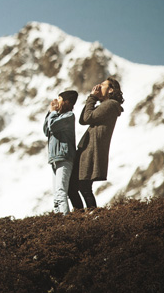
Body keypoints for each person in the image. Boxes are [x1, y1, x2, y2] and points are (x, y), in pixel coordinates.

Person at [69, 77, 124, 209]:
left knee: (82, 187)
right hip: (88, 149)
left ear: (111, 90)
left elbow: (87, 118)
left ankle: (89, 216)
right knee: (78, 187)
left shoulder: (110, 104)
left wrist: (92, 97)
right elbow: (83, 120)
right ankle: (84, 216)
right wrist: (92, 99)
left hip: (91, 150)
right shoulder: (106, 106)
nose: (99, 86)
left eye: (103, 85)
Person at [43, 90, 79, 214]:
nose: (57, 102)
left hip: (64, 157)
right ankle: (59, 221)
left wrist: (52, 112)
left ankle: (66, 221)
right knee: (56, 195)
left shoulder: (68, 116)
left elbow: (52, 126)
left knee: (60, 192)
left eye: (59, 99)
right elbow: (46, 130)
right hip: (55, 158)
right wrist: (50, 112)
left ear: (66, 102)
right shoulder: (57, 116)